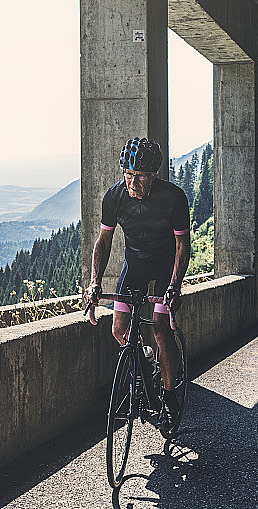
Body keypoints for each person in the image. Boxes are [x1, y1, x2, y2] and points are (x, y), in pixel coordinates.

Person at [84, 137, 191, 434]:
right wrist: (94, 282)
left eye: (140, 176)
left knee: (160, 328)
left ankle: (169, 399)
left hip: (163, 266)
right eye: (128, 175)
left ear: (154, 175)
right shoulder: (115, 197)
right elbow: (103, 240)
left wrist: (174, 286)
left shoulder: (173, 198)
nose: (132, 182)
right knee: (119, 330)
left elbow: (183, 245)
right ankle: (142, 358)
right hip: (135, 267)